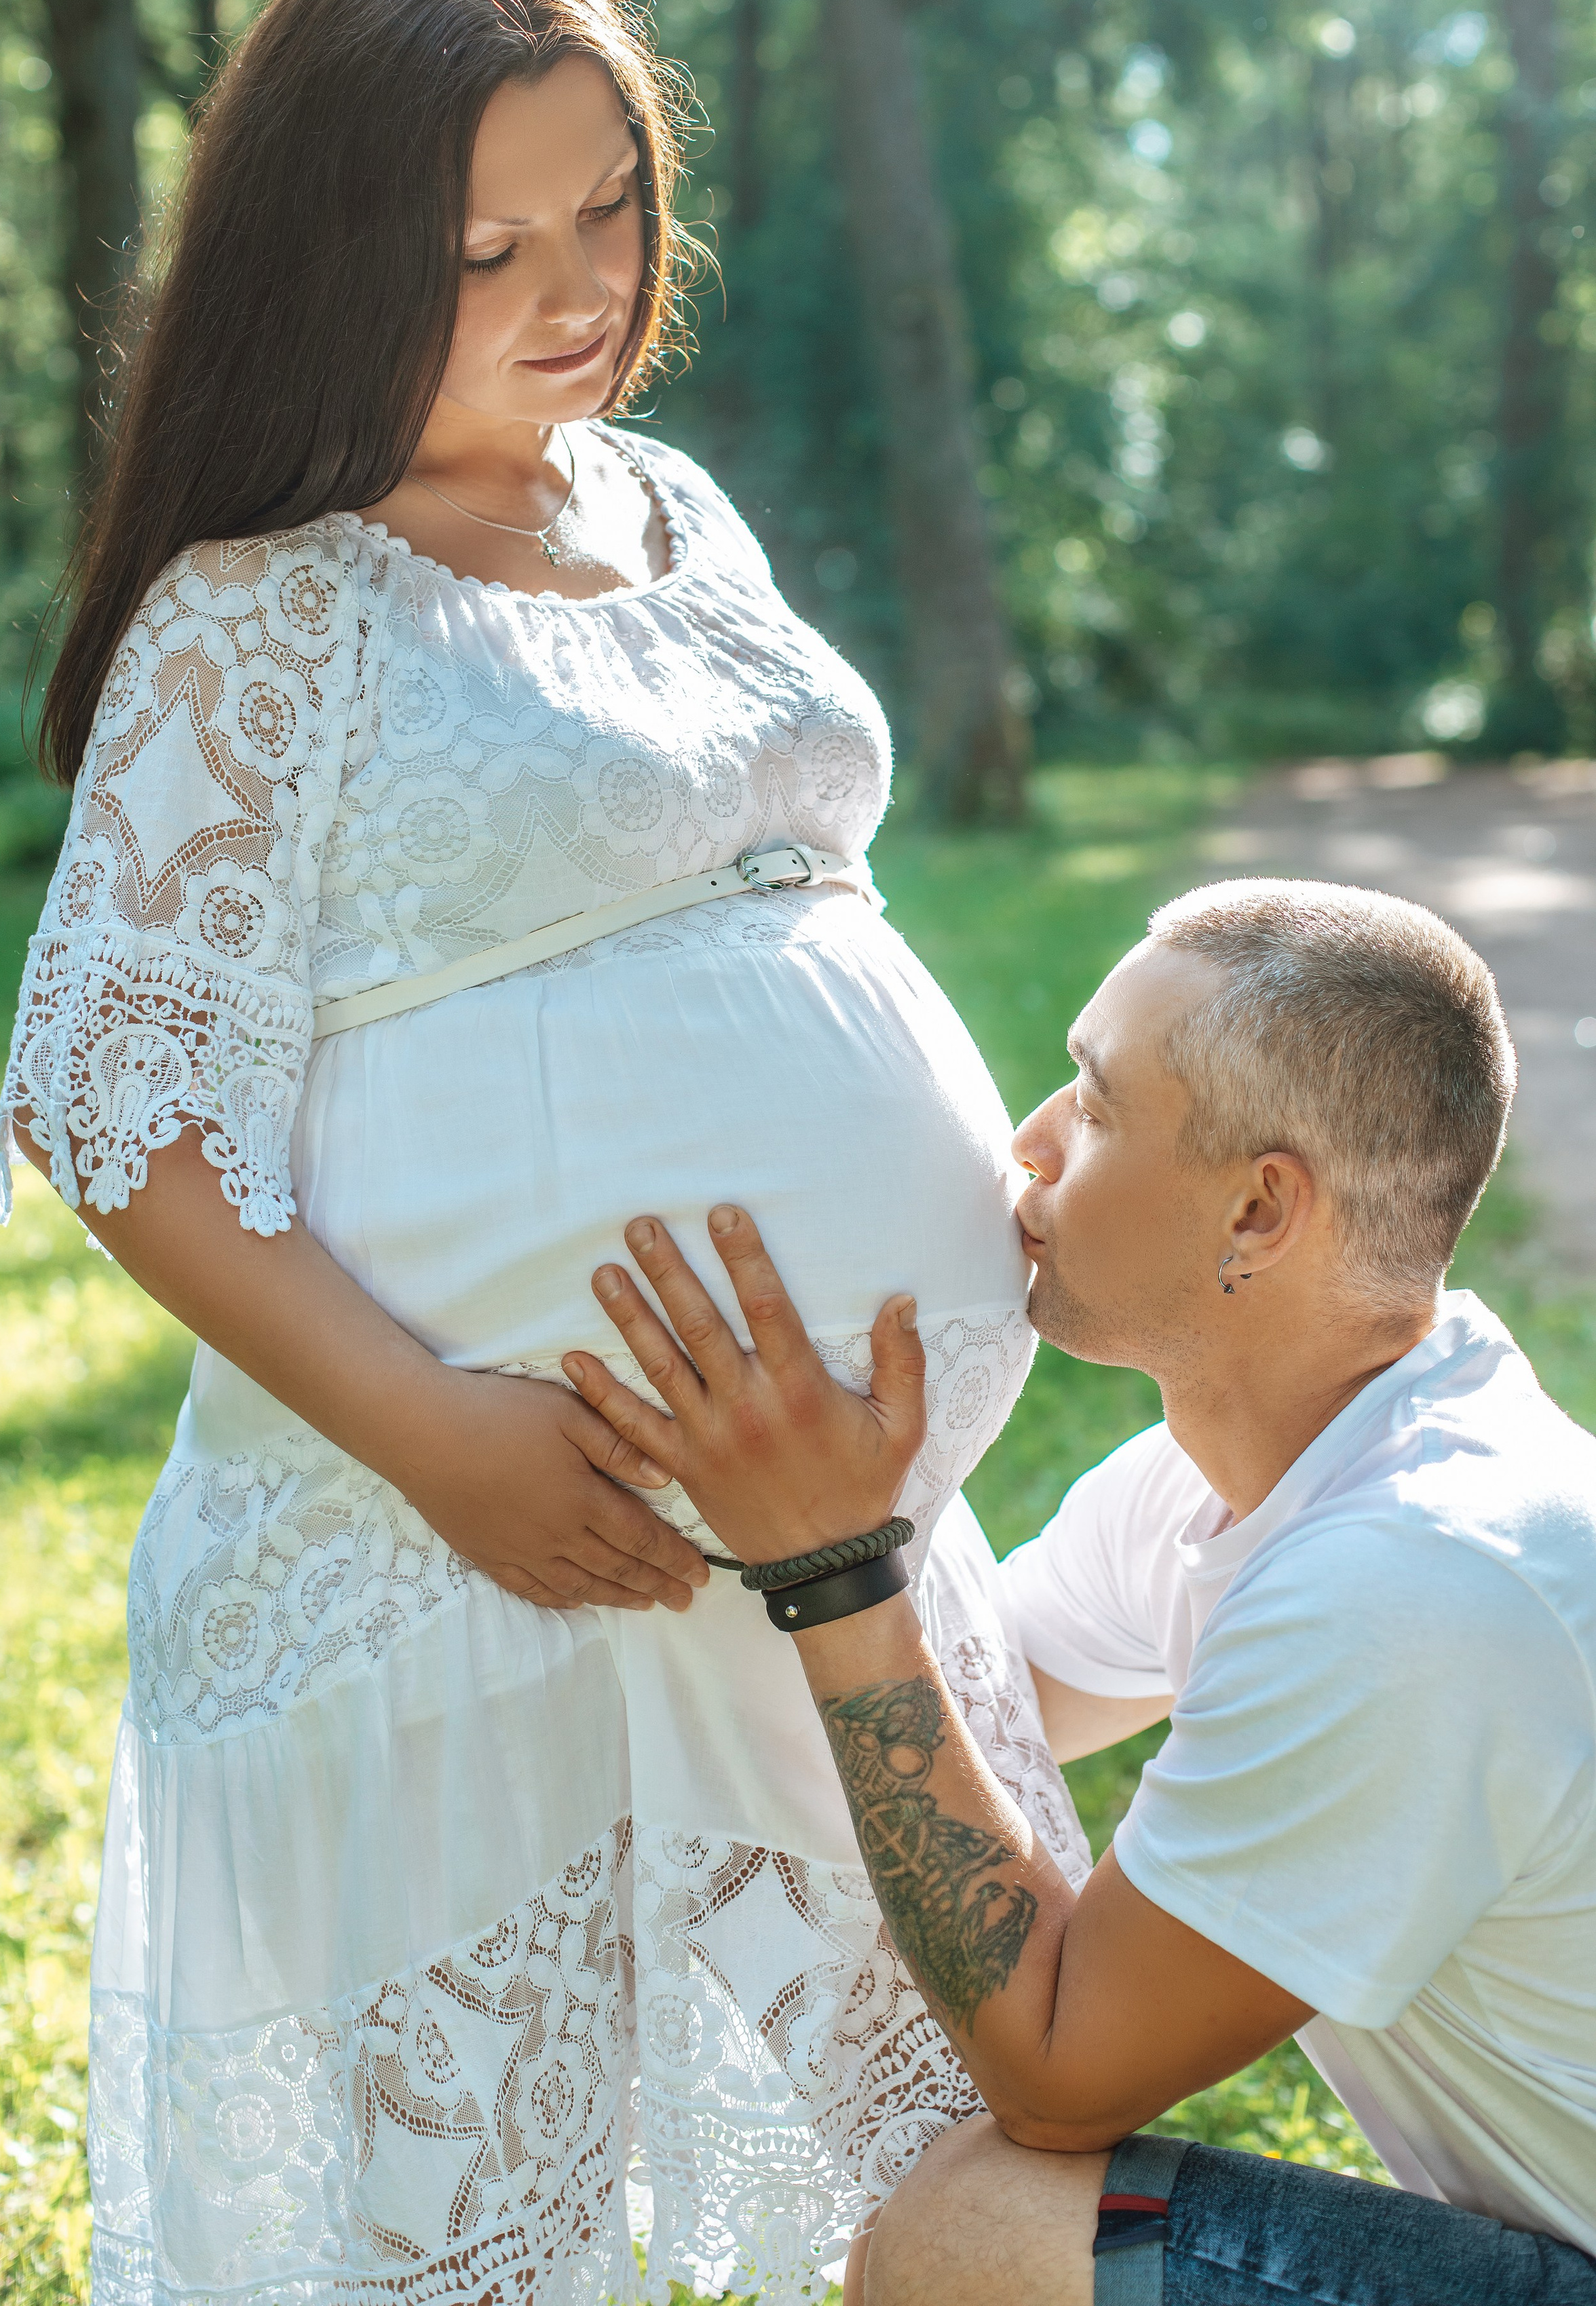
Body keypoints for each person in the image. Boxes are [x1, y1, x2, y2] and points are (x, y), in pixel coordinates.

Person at [0, 0, 1086, 2305]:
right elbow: (118, 1108)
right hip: (452, 1562)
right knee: (462, 2245)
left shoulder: (673, 510)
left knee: (981, 2154)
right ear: (333, 257)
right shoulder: (266, 607)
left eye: (610, 204)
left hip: (817, 1553)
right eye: (489, 245)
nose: (578, 282)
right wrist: (438, 1436)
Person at [564, 877, 1596, 2305]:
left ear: (1255, 1210)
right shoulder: (1245, 1482)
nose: (1028, 1146)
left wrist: (832, 1572)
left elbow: (1057, 2071)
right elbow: (976, 1726)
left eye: (1096, 1107)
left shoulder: (1409, 1583)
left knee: (978, 2234)